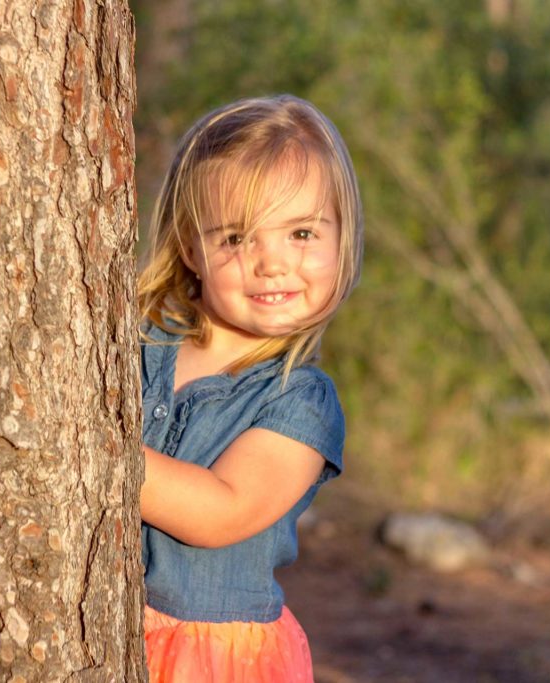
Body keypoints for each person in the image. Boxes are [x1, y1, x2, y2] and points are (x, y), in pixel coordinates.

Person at [136, 94, 363, 682]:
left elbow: (223, 508)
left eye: (302, 233)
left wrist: (90, 456)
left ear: (342, 237)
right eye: (236, 238)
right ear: (192, 247)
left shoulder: (299, 400)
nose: (271, 263)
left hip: (211, 660)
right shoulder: (139, 341)